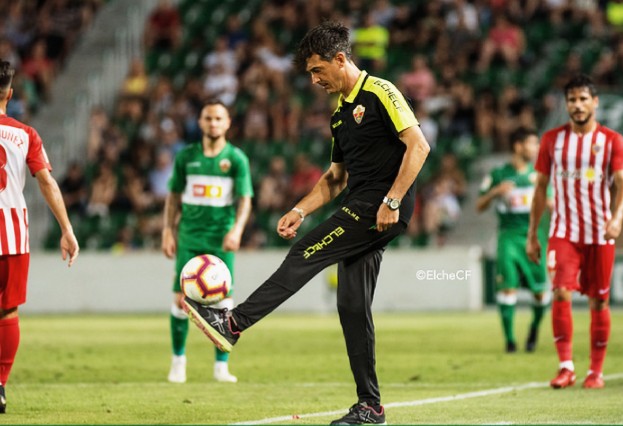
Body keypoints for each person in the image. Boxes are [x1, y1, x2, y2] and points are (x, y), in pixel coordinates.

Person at [182, 21, 430, 425]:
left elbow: (419, 146)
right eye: (310, 74)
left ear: (340, 59)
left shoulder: (380, 91)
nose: (314, 80)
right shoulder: (341, 114)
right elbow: (335, 178)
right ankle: (371, 406)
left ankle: (233, 322)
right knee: (351, 305)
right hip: (362, 203)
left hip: (380, 205)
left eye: (318, 71)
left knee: (306, 252)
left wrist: (393, 199)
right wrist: (300, 209)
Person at [527, 74, 623, 390]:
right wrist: (532, 234)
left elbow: (622, 184)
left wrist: (617, 218)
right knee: (560, 292)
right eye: (572, 100)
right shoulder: (552, 139)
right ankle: (566, 367)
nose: (577, 105)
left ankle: (595, 372)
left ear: (595, 102)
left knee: (598, 302)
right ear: (566, 104)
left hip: (599, 232)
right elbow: (540, 188)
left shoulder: (611, 140)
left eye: (583, 99)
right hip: (563, 231)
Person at [0, 60, 79, 413]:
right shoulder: (26, 134)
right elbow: (46, 180)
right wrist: (66, 228)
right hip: (11, 234)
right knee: (7, 312)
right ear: (11, 94)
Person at [161, 100, 253, 384]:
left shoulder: (236, 159)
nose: (213, 123)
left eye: (218, 118)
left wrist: (237, 230)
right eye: (208, 118)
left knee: (224, 301)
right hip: (189, 236)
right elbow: (174, 196)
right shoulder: (186, 157)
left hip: (220, 240)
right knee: (180, 299)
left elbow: (245, 199)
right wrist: (167, 230)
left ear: (227, 123)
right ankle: (178, 362)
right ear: (200, 122)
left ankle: (221, 366)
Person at [477, 127, 550, 353]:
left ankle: (535, 328)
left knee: (540, 293)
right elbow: (479, 206)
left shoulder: (539, 174)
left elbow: (551, 204)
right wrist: (494, 192)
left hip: (534, 237)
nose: (537, 148)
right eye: (533, 143)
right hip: (508, 237)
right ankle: (510, 340)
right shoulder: (497, 174)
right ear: (518, 146)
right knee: (507, 289)